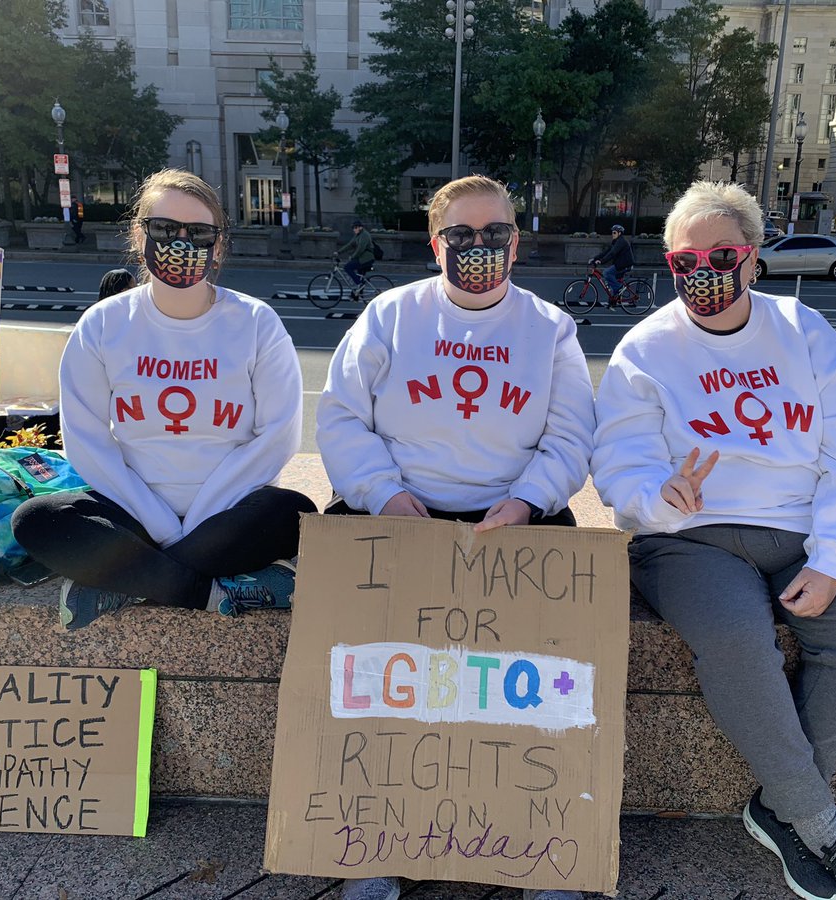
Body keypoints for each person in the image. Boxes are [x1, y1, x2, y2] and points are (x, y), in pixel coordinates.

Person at [592, 181, 836, 900]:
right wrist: (657, 495)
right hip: (689, 538)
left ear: (754, 259)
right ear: (669, 265)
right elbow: (618, 461)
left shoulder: (802, 330)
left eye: (723, 254)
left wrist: (832, 559)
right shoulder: (645, 348)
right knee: (737, 639)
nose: (703, 272)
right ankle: (821, 827)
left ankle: (779, 802)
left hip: (799, 524)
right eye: (684, 261)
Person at [317, 174, 594, 900]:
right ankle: (377, 838)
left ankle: (541, 839)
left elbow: (571, 436)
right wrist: (384, 496)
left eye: (495, 233)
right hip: (398, 515)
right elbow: (342, 418)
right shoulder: (389, 315)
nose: (480, 247)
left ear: (517, 240)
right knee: (377, 683)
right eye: (462, 236)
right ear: (436, 243)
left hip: (513, 521)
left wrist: (531, 500)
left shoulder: (550, 328)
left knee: (540, 690)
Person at [11, 168, 316, 630]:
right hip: (130, 510)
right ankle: (211, 593)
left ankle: (127, 580)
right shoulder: (103, 324)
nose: (181, 241)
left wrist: (192, 523)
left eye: (198, 232)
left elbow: (276, 438)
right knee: (37, 519)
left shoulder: (256, 322)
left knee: (294, 514)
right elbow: (87, 441)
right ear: (139, 234)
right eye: (164, 228)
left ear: (217, 244)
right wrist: (160, 524)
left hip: (228, 512)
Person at [591, 224, 634, 303]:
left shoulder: (621, 242)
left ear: (619, 233)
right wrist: (595, 258)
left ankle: (619, 288)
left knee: (606, 273)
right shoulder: (616, 241)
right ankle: (613, 301)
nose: (612, 234)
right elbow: (607, 251)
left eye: (614, 233)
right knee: (612, 279)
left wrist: (601, 261)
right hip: (620, 264)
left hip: (624, 265)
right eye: (612, 233)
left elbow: (612, 253)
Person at [337, 218, 375, 298]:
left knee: (347, 267)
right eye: (353, 228)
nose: (354, 229)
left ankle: (359, 285)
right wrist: (338, 252)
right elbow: (350, 245)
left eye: (355, 228)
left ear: (360, 227)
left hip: (366, 259)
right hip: (362, 258)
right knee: (359, 275)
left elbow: (360, 248)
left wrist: (352, 256)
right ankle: (357, 295)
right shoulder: (358, 235)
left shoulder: (364, 235)